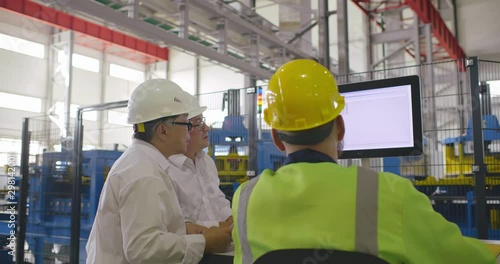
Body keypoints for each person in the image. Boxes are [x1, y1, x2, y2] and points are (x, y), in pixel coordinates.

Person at [231, 59, 496, 264]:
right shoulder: (391, 194)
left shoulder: (245, 199)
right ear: (340, 127)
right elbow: (462, 258)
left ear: (276, 137)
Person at [86, 79, 231, 264]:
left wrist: (185, 229)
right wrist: (203, 242)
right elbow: (143, 249)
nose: (189, 132)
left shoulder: (143, 163)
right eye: (187, 125)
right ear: (163, 131)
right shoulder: (144, 174)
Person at [167, 93, 233, 228]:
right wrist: (221, 227)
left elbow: (218, 200)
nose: (206, 128)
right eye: (198, 123)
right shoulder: (167, 170)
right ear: (181, 127)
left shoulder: (206, 162)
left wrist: (232, 219)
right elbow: (179, 223)